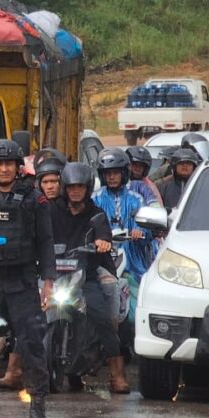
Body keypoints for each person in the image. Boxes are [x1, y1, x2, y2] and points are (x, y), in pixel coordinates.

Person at [0, 139, 56, 418]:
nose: (4, 168)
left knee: (32, 343)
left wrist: (48, 280)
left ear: (18, 168)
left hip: (22, 282)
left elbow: (45, 241)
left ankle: (38, 409)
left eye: (9, 164)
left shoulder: (34, 200)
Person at [52, 162, 129, 393]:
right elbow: (38, 232)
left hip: (85, 276)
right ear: (65, 187)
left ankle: (117, 375)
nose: (76, 191)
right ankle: (16, 370)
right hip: (54, 275)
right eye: (71, 187)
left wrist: (102, 242)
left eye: (80, 187)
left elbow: (104, 233)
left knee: (102, 318)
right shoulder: (50, 210)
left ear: (87, 188)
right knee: (28, 318)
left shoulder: (96, 214)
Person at [92, 148, 152, 285]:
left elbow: (146, 228)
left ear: (124, 173)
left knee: (136, 297)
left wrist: (140, 232)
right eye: (108, 173)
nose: (111, 177)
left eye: (115, 173)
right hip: (102, 259)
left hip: (132, 261)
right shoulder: (95, 199)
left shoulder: (136, 199)